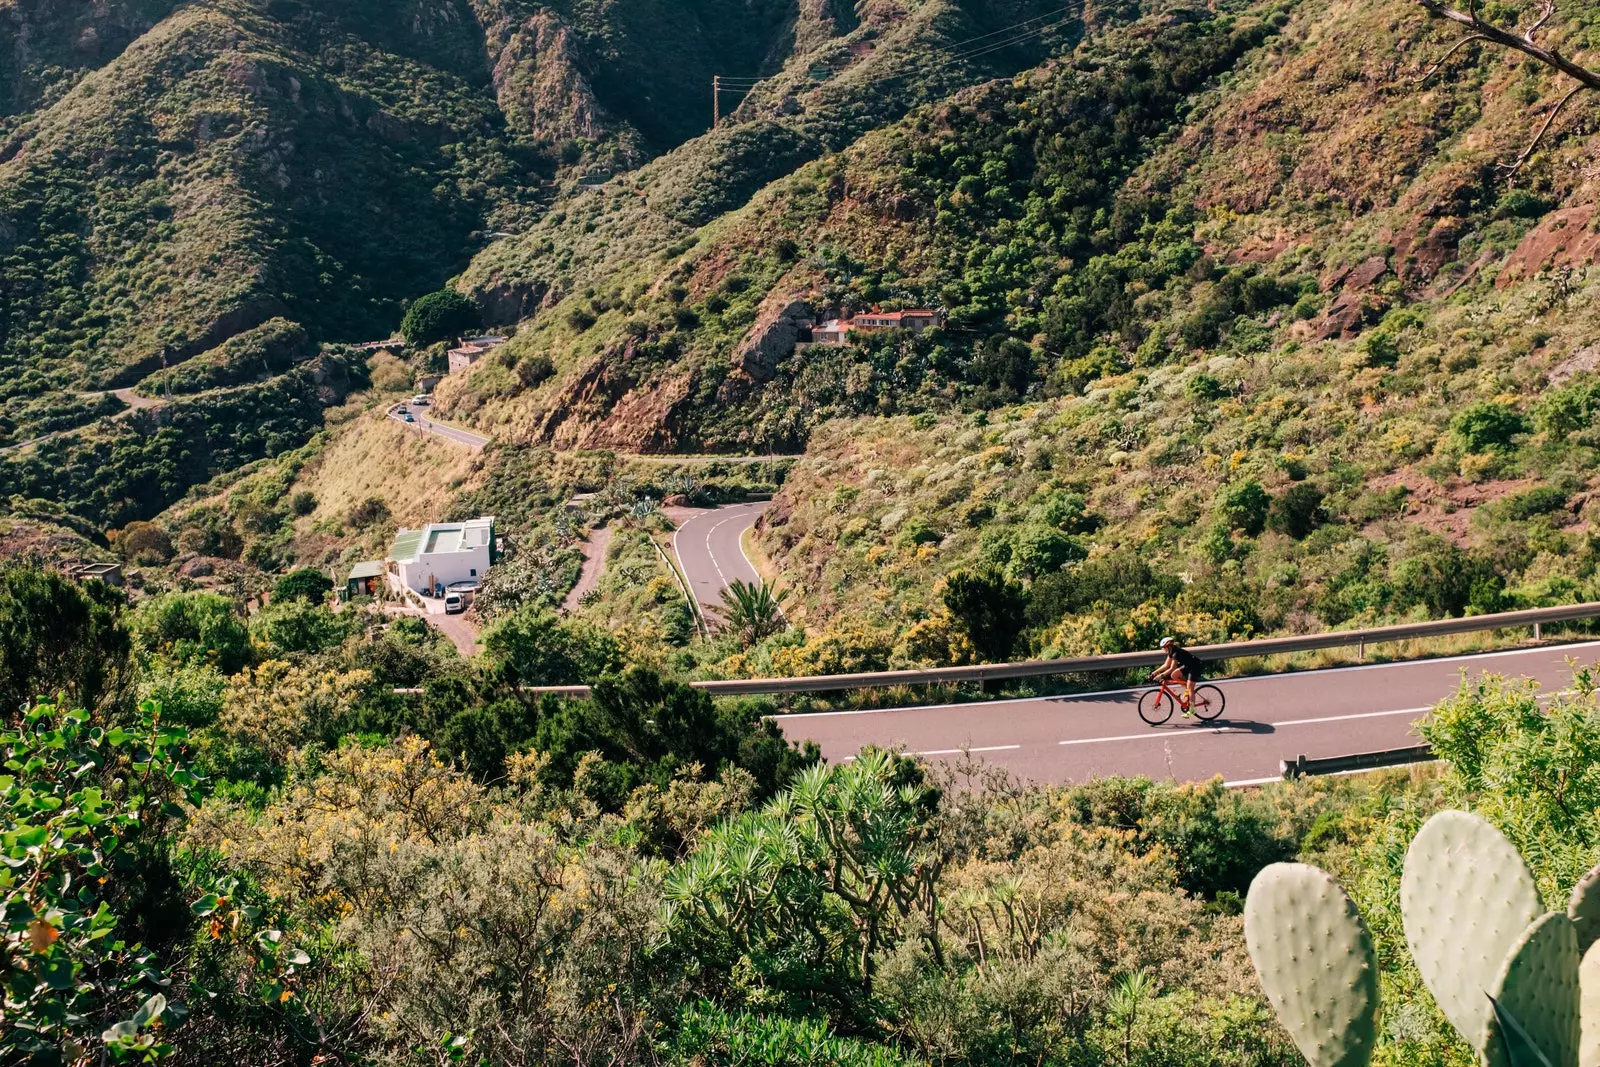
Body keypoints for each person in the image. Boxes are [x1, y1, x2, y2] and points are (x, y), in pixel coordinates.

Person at [1151, 636, 1203, 715]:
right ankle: (1187, 691)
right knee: (1174, 675)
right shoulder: (1171, 652)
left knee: (1190, 688)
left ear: (1168, 646)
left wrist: (1161, 676)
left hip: (1195, 666)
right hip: (1188, 665)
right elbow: (1165, 665)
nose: (1162, 649)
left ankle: (1192, 709)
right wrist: (1154, 673)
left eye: (1163, 647)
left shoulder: (1175, 652)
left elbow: (1172, 668)